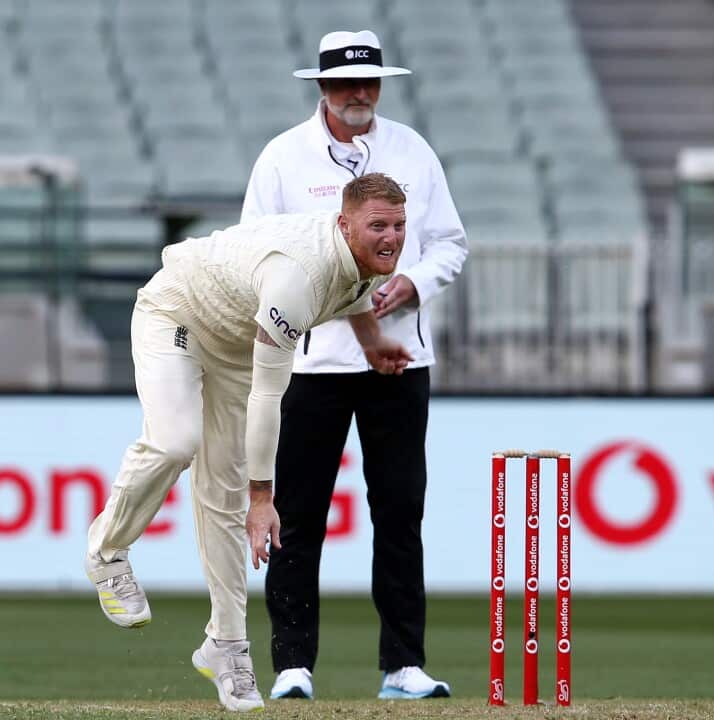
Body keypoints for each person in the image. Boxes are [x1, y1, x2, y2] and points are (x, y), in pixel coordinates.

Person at [84, 174, 414, 712]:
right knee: (174, 442)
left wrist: (374, 343)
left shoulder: (369, 258)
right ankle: (106, 550)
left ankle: (227, 647)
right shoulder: (298, 277)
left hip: (236, 345)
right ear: (344, 223)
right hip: (179, 314)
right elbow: (269, 397)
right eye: (378, 226)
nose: (392, 237)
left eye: (399, 226)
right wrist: (265, 498)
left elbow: (353, 295)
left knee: (223, 495)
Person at [240, 30, 466, 701]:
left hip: (400, 361)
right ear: (321, 88)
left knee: (399, 510)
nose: (359, 95)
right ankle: (292, 666)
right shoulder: (284, 158)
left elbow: (450, 245)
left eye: (369, 82)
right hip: (309, 368)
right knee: (299, 515)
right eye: (345, 85)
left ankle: (403, 666)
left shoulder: (413, 152)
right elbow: (257, 252)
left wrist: (415, 283)